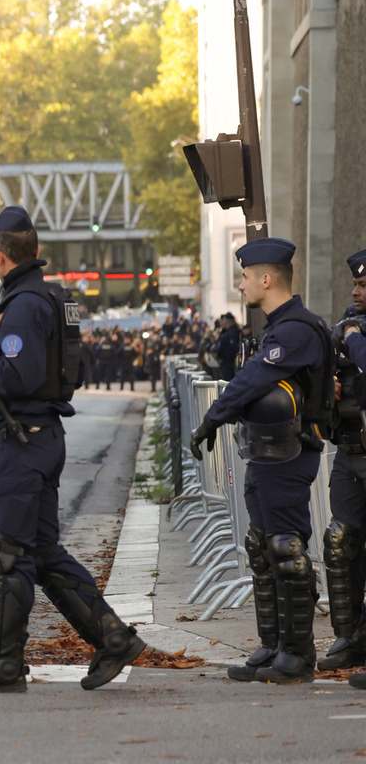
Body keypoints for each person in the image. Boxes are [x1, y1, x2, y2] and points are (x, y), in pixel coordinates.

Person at [0, 206, 144, 693]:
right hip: (40, 435)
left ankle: (3, 664)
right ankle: (112, 638)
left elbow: (20, 377)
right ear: (36, 251)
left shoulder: (23, 304)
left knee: (10, 555)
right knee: (40, 550)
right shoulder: (49, 297)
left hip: (22, 438)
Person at [190, 237, 334, 685]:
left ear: (266, 279)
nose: (241, 284)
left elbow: (253, 379)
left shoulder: (295, 330)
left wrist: (210, 419)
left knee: (286, 550)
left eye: (246, 277)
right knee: (262, 546)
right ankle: (273, 645)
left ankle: (298, 653)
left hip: (289, 453)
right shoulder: (277, 327)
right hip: (266, 453)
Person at [318, 249, 366, 675]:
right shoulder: (346, 327)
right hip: (350, 452)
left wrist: (352, 339)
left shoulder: (353, 332)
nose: (355, 291)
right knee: (341, 544)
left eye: (364, 285)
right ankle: (350, 637)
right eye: (355, 284)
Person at [216, 312, 241, 381]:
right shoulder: (225, 332)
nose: (221, 323)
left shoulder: (233, 332)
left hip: (230, 363)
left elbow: (232, 348)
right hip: (225, 363)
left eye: (222, 320)